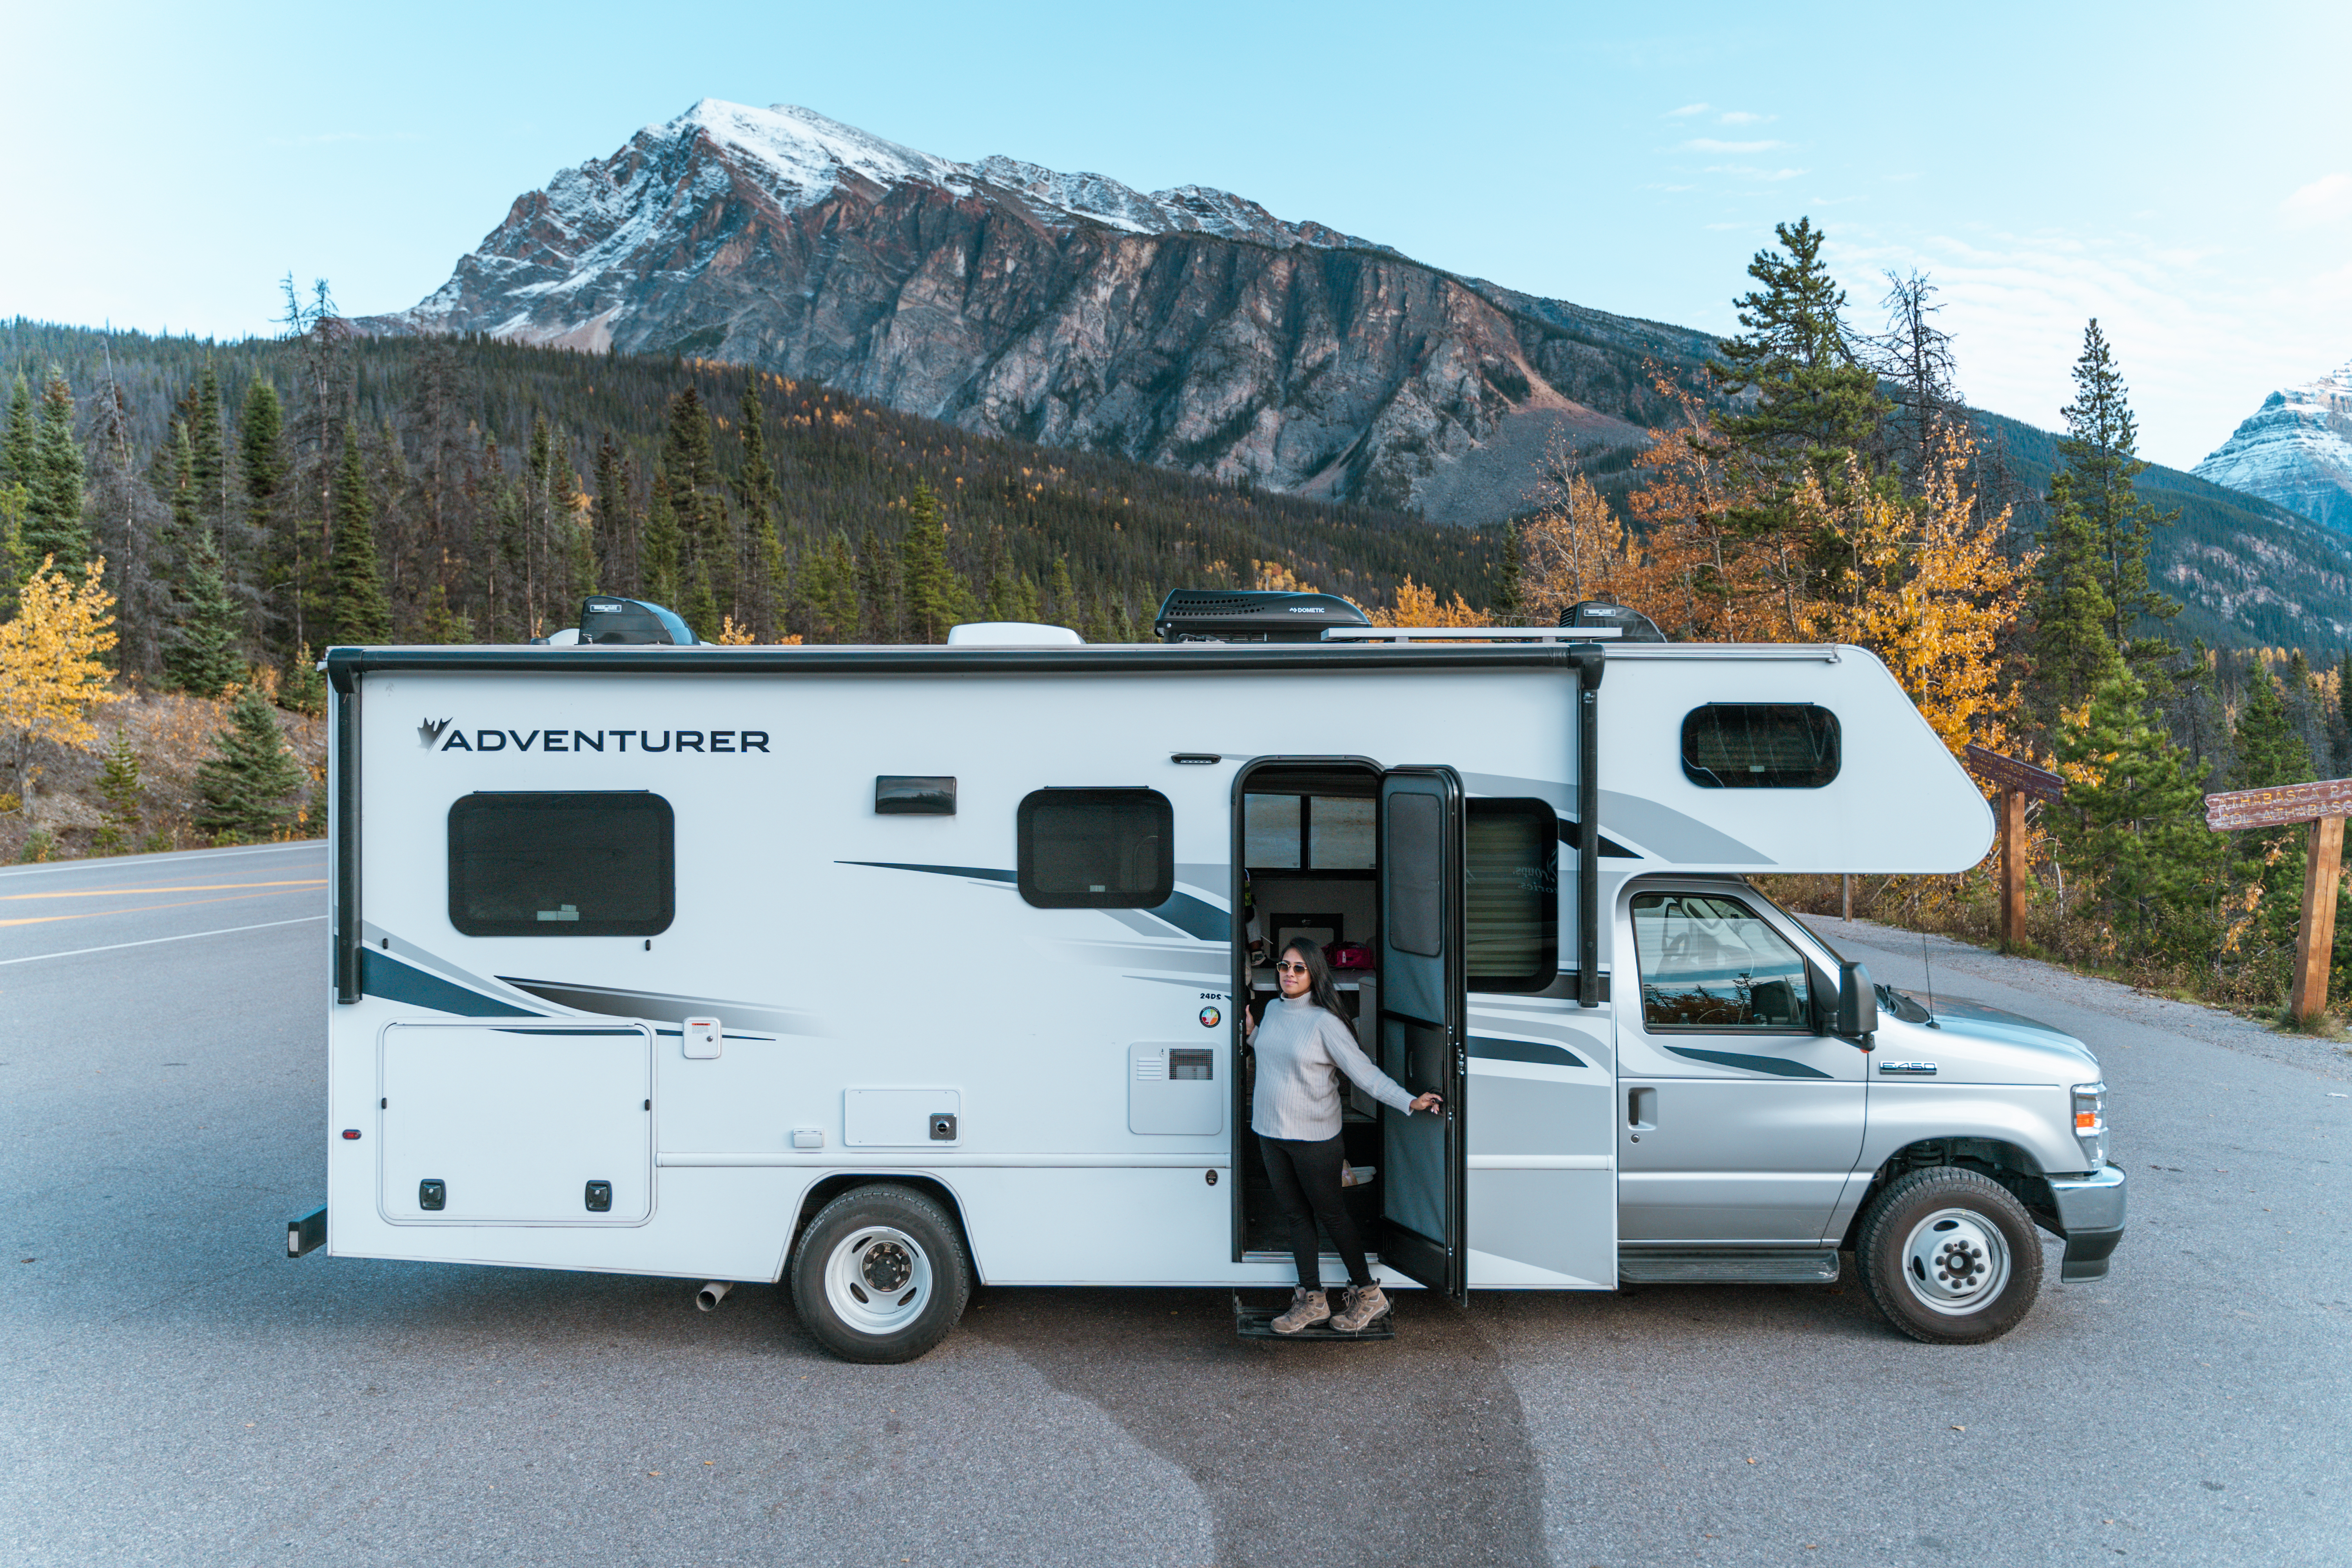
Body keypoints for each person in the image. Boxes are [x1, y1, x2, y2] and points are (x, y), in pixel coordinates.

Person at [1244, 936, 1442, 1333]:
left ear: (1314, 973)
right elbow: (1273, 1054)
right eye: (1284, 966)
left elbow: (1364, 1074)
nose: (1289, 974)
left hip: (1315, 1139)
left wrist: (1409, 1101)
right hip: (1270, 1132)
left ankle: (1369, 1293)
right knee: (1295, 1216)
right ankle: (1311, 1299)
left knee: (1332, 1214)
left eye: (1299, 968)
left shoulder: (1326, 1022)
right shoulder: (1272, 1010)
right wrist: (1252, 1035)